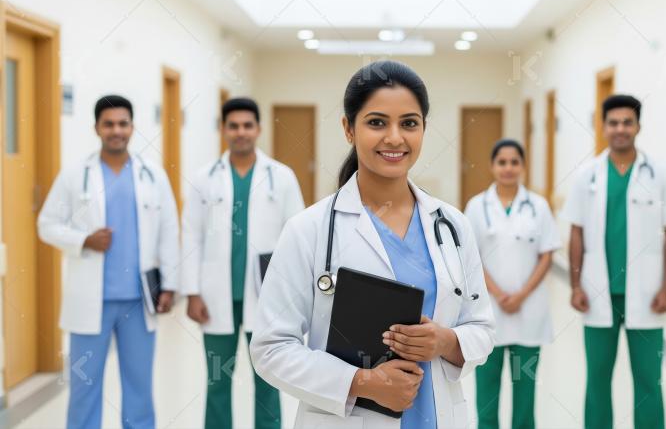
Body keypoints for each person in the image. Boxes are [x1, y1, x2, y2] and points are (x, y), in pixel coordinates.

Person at [249, 60, 495, 428]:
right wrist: (363, 383)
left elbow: (482, 329)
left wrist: (446, 342)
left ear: (423, 129)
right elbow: (270, 348)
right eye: (377, 122)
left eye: (409, 123)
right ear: (348, 128)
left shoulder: (453, 226)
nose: (394, 138)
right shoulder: (308, 230)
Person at [38, 95, 179, 429]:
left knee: (139, 389)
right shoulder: (75, 175)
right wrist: (84, 240)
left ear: (132, 127)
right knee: (84, 388)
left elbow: (169, 231)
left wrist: (170, 285)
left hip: (138, 300)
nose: (116, 130)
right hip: (91, 301)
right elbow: (46, 224)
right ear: (97, 128)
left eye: (123, 124)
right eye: (109, 124)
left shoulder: (153, 175)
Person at [563, 94, 666, 429]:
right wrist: (575, 285)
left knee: (648, 381)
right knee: (597, 380)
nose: (620, 129)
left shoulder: (660, 174)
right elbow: (576, 232)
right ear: (603, 127)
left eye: (627, 123)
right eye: (614, 123)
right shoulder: (587, 175)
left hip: (648, 296)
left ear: (638, 127)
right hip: (597, 293)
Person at [181, 97, 305, 429]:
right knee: (217, 380)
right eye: (233, 126)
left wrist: (293, 296)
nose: (241, 132)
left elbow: (298, 239)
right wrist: (191, 292)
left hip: (268, 297)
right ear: (223, 129)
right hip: (214, 297)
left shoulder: (281, 176)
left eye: (247, 125)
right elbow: (191, 236)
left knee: (268, 379)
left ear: (258, 129)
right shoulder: (204, 178)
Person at [464, 138, 560, 429]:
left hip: (528, 313)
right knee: (486, 395)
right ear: (492, 166)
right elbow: (471, 257)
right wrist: (499, 294)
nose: (508, 168)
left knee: (525, 393)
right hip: (489, 313)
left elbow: (547, 254)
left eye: (514, 162)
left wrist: (521, 295)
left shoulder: (538, 206)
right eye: (502, 162)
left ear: (523, 166)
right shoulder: (476, 206)